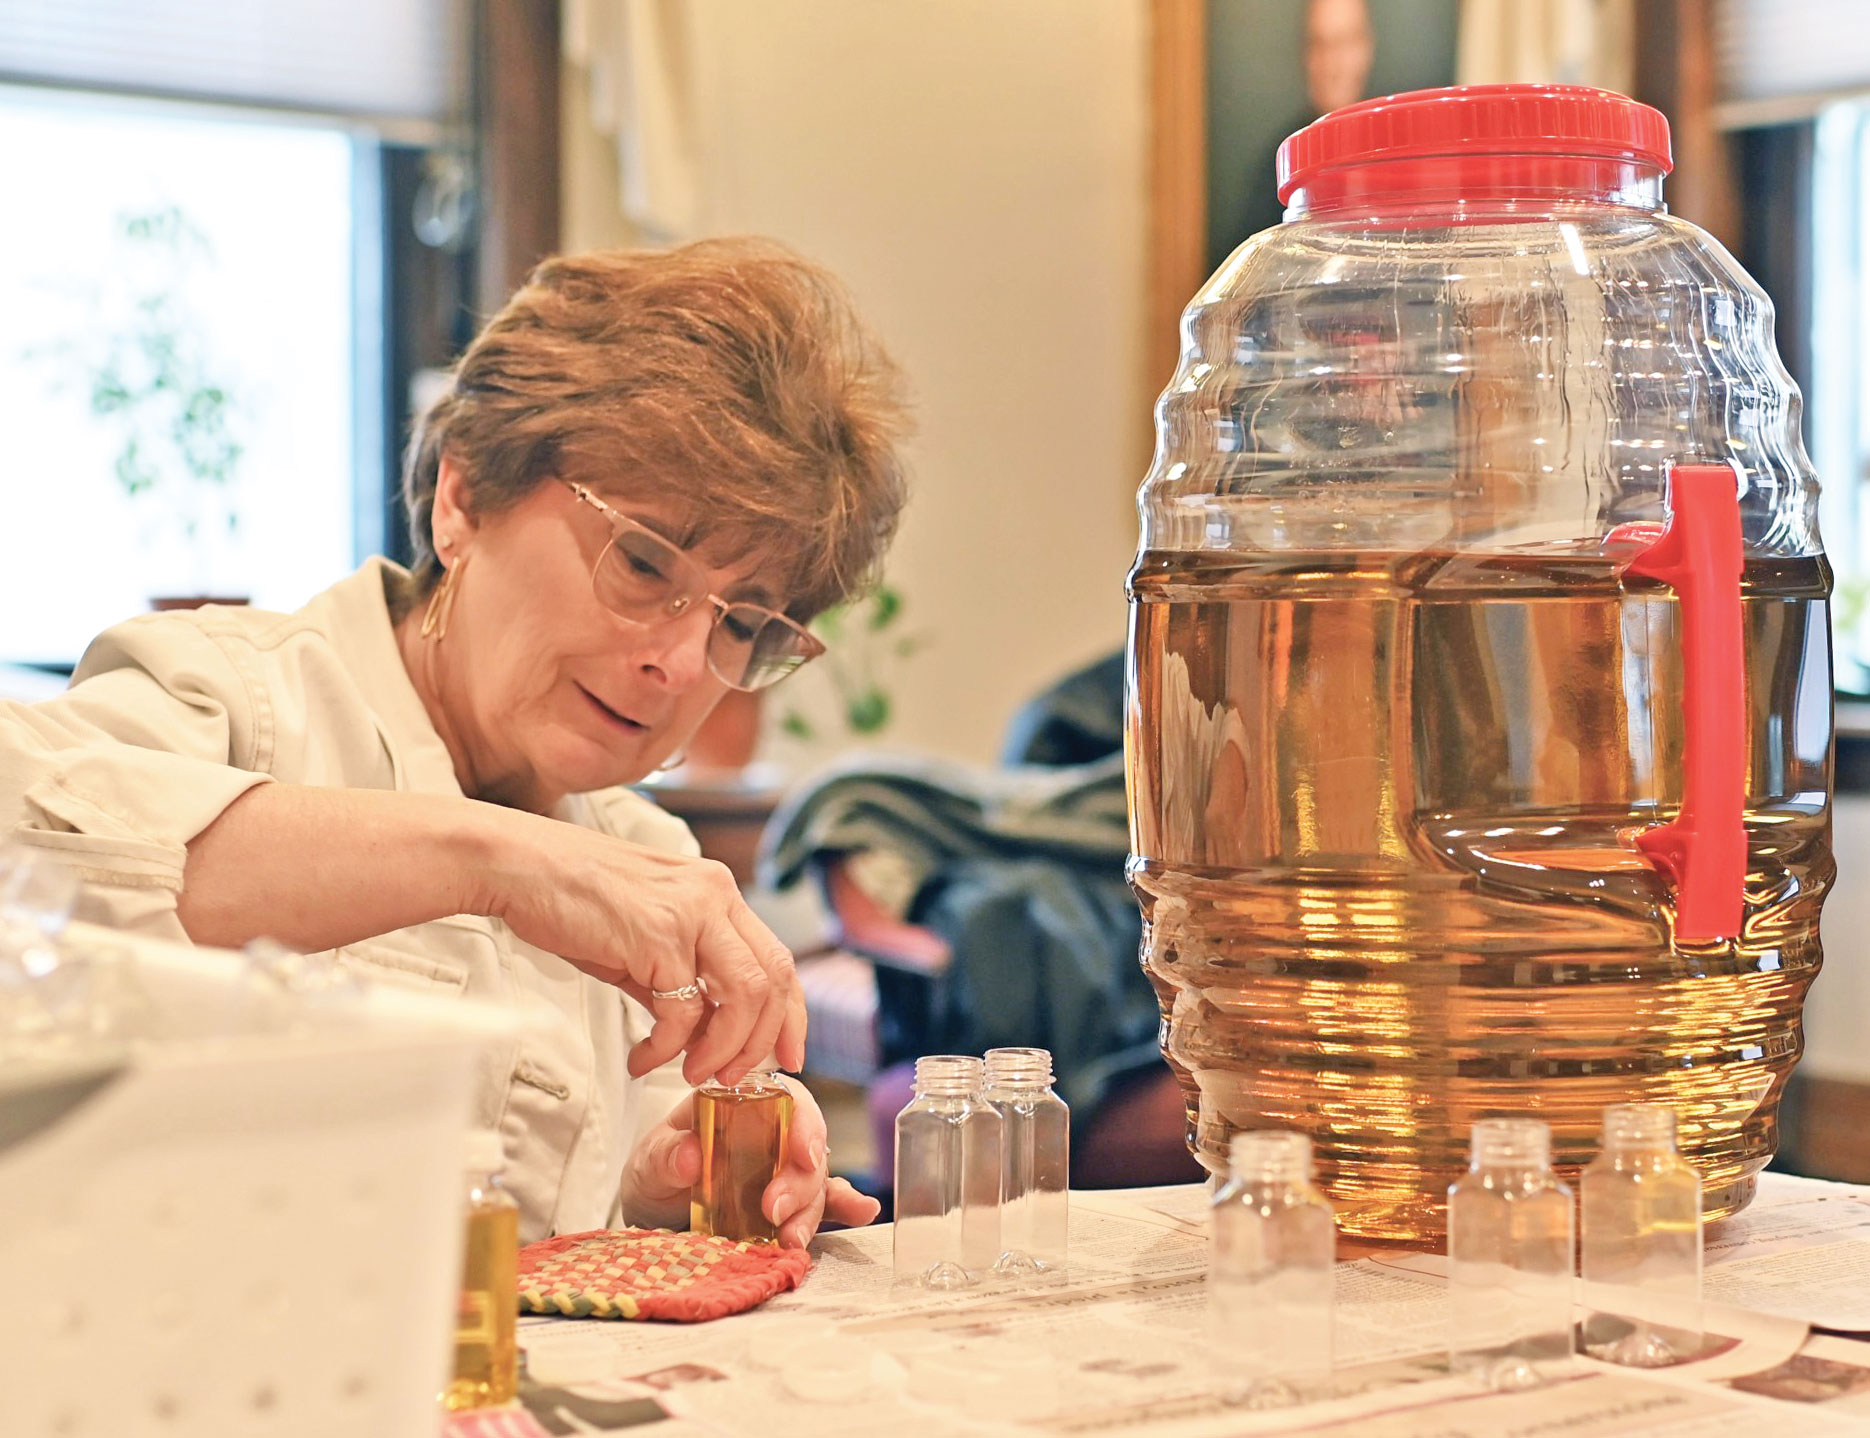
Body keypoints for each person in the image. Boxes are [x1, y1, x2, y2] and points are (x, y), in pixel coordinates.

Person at [0, 238, 909, 1245]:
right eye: (646, 563)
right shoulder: (233, 699)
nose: (684, 662)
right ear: (463, 498)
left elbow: (563, 1229)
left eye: (741, 622)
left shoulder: (648, 854)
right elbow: (27, 887)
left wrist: (664, 1187)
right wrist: (501, 862)